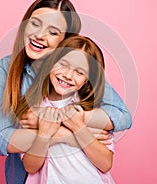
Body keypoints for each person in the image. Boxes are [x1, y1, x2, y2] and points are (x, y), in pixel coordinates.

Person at [0, 0, 131, 184]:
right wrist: (71, 134)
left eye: (53, 32)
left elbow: (122, 116)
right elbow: (1, 138)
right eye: (35, 23)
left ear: (66, 42)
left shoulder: (80, 75)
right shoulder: (7, 68)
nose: (39, 35)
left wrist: (71, 119)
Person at [16, 35, 115, 183]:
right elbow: (30, 167)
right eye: (63, 64)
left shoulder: (93, 111)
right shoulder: (32, 111)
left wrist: (79, 127)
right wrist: (43, 135)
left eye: (80, 72)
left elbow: (106, 164)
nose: (68, 75)